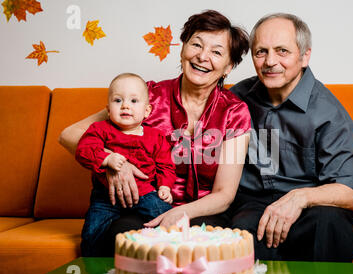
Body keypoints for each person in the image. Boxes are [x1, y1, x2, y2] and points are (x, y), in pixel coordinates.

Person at [59, 10, 251, 256]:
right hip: (140, 206)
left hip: (203, 213)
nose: (203, 56)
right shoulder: (147, 96)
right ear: (182, 49)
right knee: (126, 239)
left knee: (200, 247)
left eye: (216, 52)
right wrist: (114, 164)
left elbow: (224, 195)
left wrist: (177, 214)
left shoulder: (235, 111)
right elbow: (69, 134)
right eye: (196, 45)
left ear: (229, 67)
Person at [191, 13, 353, 263]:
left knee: (330, 224)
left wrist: (300, 197)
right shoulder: (236, 99)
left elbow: (352, 191)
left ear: (305, 56)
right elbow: (182, 117)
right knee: (237, 232)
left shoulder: (328, 112)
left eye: (282, 51)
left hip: (311, 211)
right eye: (261, 52)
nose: (270, 61)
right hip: (250, 207)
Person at [75, 73, 176, 256]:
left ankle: (176, 256)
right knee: (92, 232)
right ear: (108, 109)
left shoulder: (156, 136)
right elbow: (83, 150)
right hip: (106, 197)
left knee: (167, 217)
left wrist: (165, 187)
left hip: (145, 193)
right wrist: (106, 158)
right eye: (118, 100)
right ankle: (91, 268)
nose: (125, 106)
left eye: (134, 101)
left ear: (147, 111)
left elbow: (166, 165)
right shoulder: (100, 130)